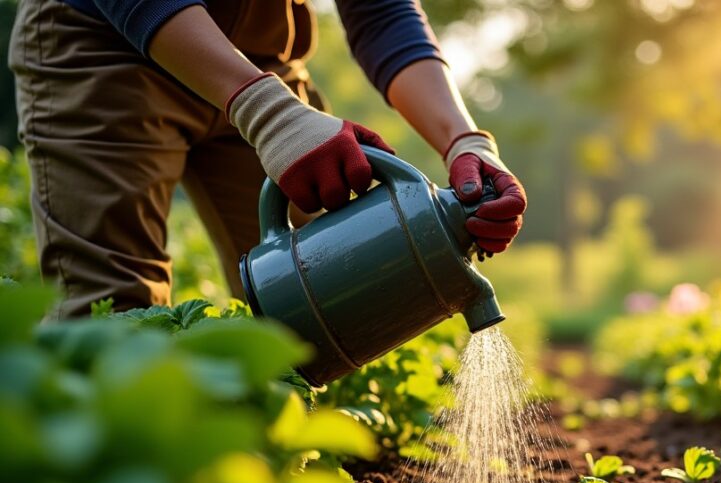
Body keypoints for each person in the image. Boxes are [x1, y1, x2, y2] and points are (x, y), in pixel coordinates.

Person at [8, 0, 526, 318]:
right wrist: (268, 114)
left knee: (330, 290)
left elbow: (381, 12)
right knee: (112, 319)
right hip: (104, 44)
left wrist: (464, 140)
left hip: (263, 59)